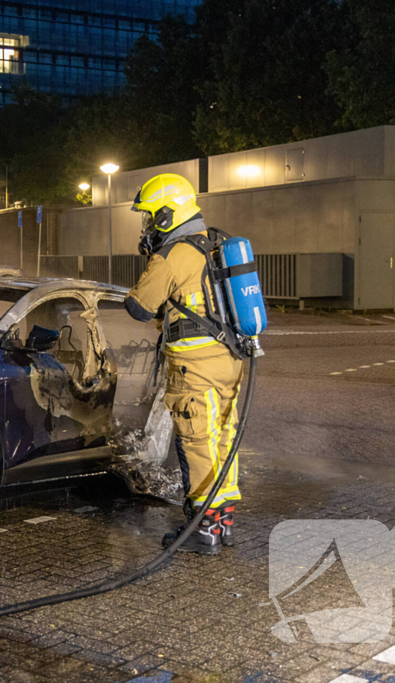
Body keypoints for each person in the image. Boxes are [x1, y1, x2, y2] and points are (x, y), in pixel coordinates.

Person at [123, 174, 243, 555]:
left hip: (195, 368)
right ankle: (222, 522)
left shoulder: (174, 253)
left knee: (195, 443)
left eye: (149, 217)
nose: (146, 226)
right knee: (222, 439)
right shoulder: (213, 244)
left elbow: (139, 307)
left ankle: (201, 529)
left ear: (165, 215)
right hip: (228, 361)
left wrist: (150, 262)